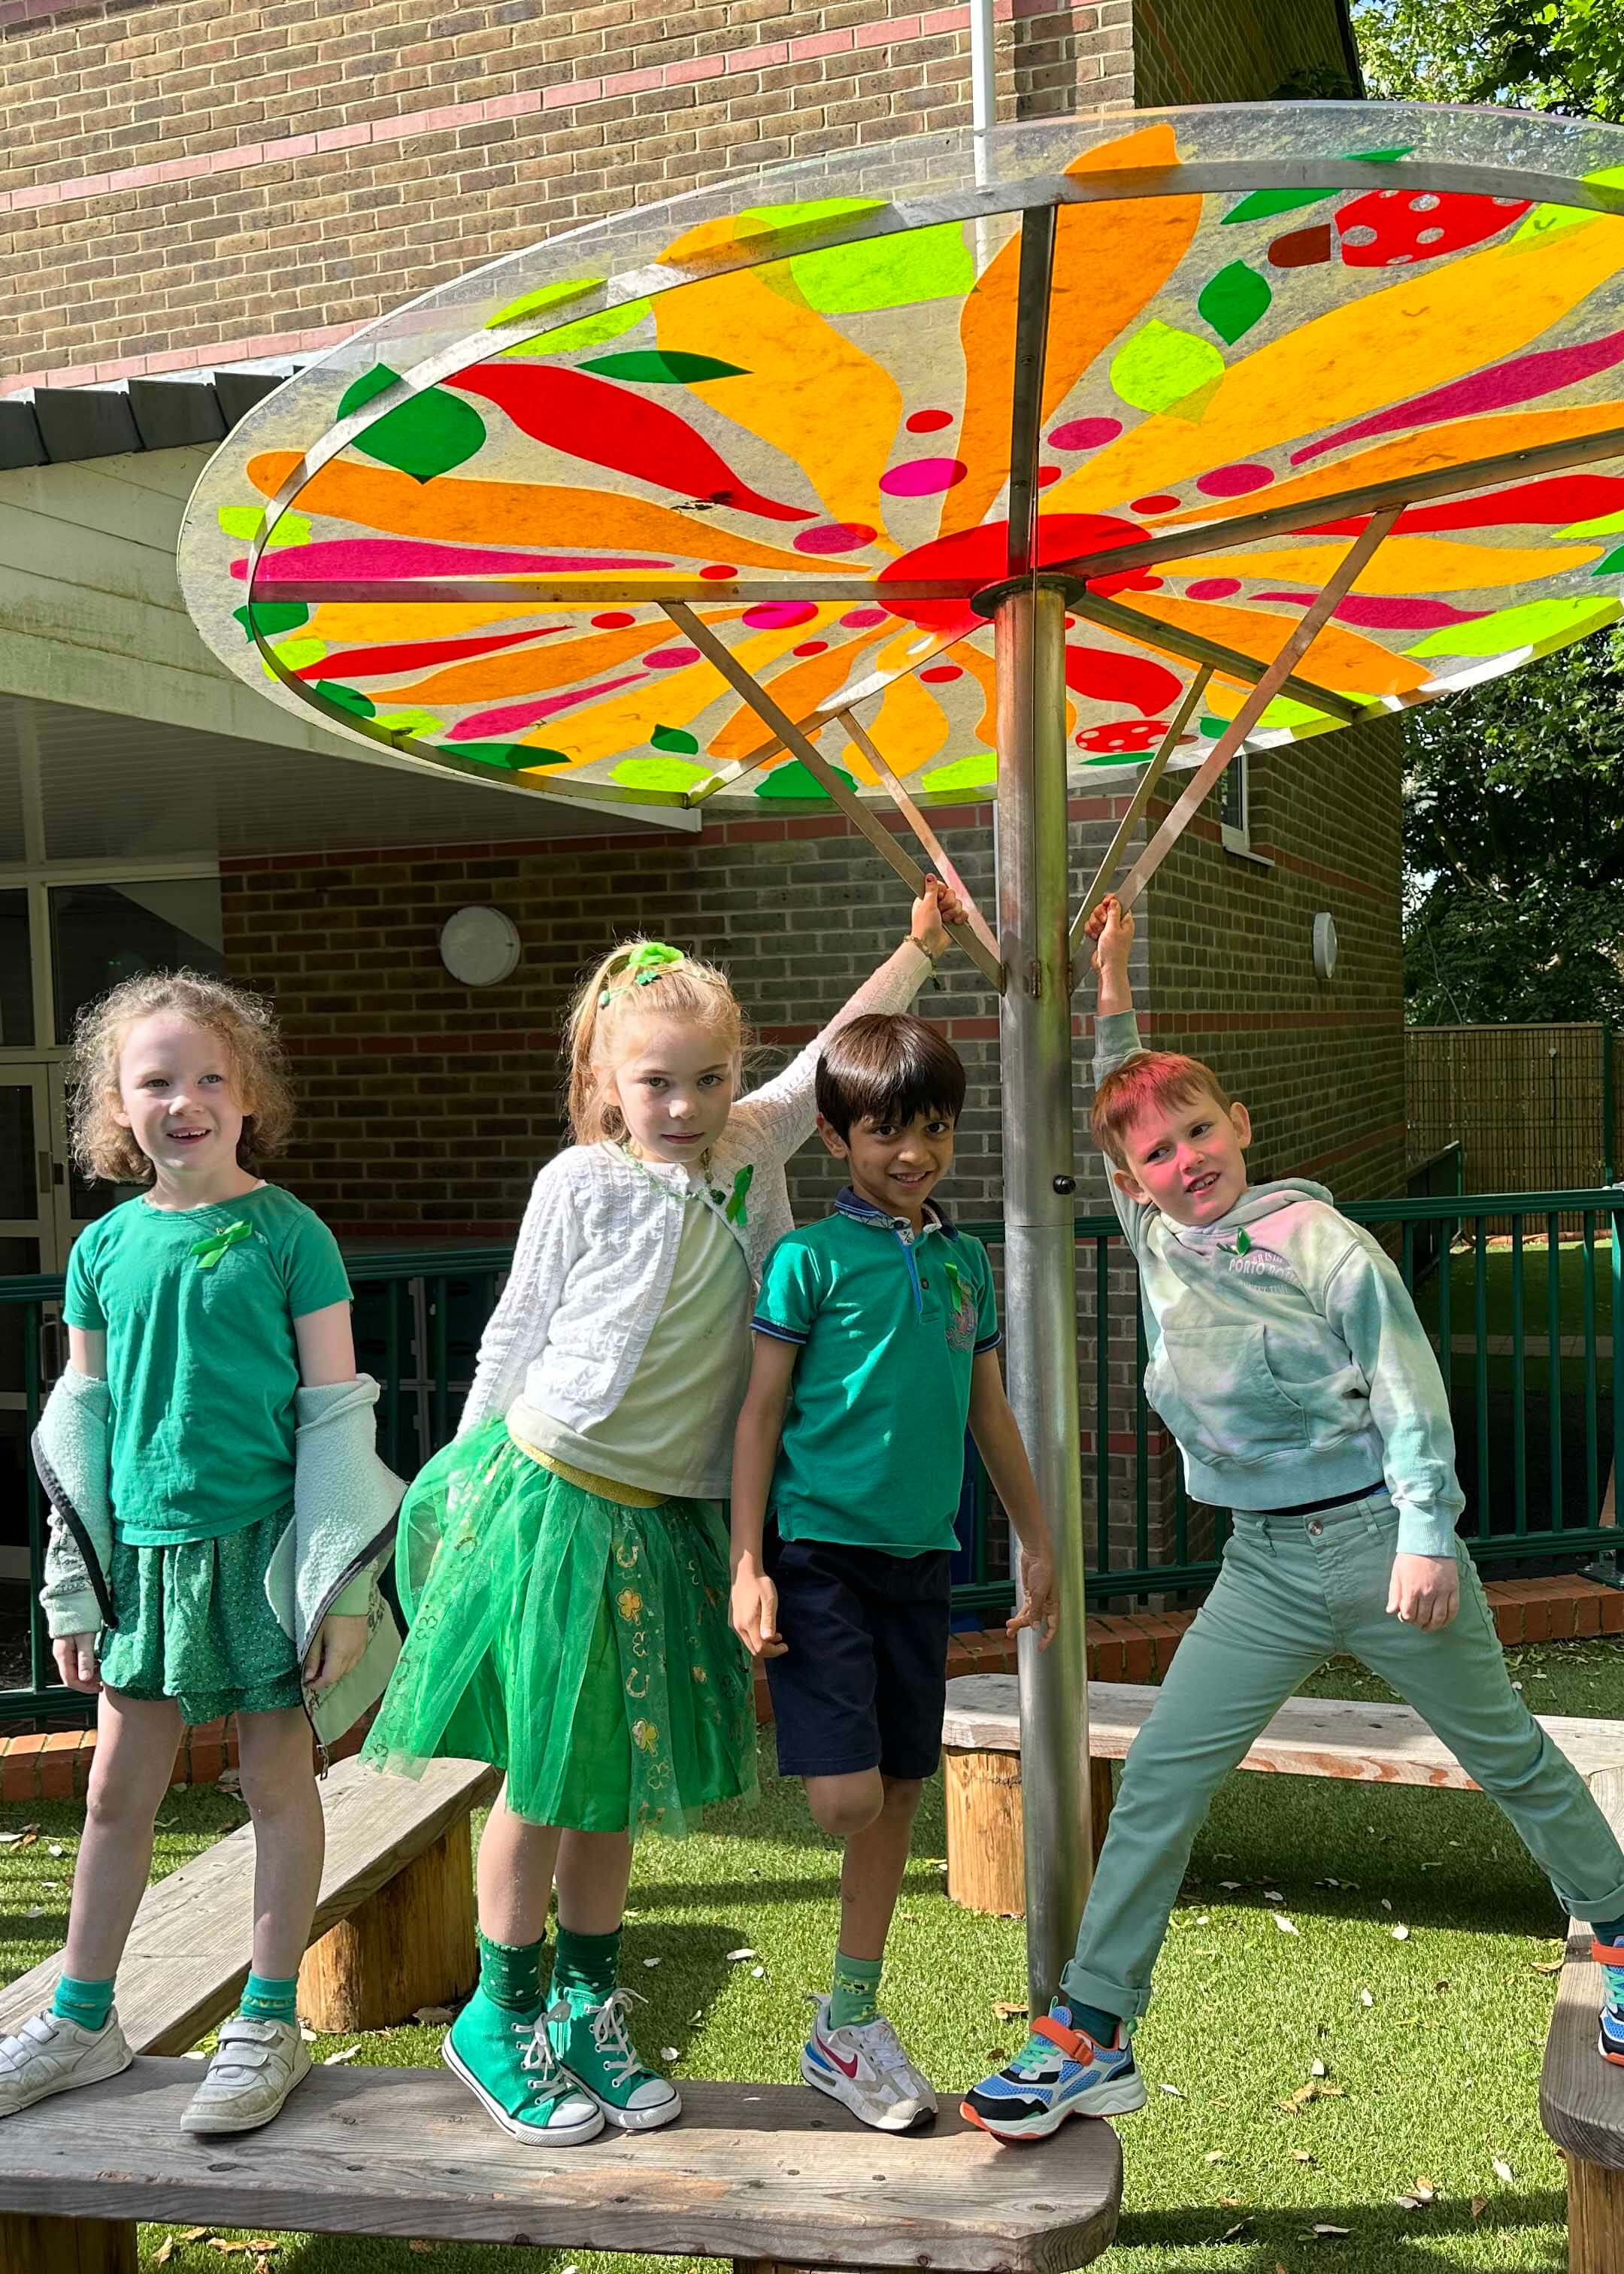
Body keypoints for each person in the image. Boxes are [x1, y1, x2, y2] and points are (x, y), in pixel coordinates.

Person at [962, 895, 1624, 2141]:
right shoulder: (1159, 1237)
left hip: (1380, 1544)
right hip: (1260, 1569)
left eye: (1200, 1131)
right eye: (1155, 1154)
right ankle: (1092, 2029)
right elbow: (1124, 1090)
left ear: (1242, 1126)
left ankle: (1623, 1924)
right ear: (1130, 1180)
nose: (1184, 1161)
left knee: (1507, 1756)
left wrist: (1429, 1534)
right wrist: (1110, 984)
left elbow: (1410, 1388)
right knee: (1161, 1775)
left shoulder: (1321, 1240)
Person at [364, 887, 968, 2147]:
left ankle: (586, 2003)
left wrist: (916, 946)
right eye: (655, 1082)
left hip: (662, 1519)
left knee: (616, 1783)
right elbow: (514, 1334)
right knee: (543, 1772)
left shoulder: (750, 1148)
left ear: (729, 1074)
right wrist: (463, 1480)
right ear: (604, 1079)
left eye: (704, 1079)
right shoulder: (581, 1181)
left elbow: (824, 1068)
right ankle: (501, 2011)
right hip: (552, 1497)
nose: (683, 1107)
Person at [3, 972, 401, 2136]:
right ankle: (84, 2020)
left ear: (249, 1095)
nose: (186, 1101)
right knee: (115, 1793)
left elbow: (336, 1413)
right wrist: (75, 1578)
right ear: (115, 1108)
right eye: (156, 1081)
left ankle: (268, 2024)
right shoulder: (102, 1251)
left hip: (267, 1557)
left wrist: (341, 1589)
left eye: (210, 1078)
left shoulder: (291, 1236)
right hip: (142, 1565)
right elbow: (80, 1416)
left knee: (277, 1788)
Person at [731, 1011, 1058, 2134]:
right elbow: (760, 1414)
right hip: (817, 1556)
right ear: (836, 1138)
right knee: (845, 1799)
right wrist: (747, 1564)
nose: (910, 1153)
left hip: (924, 1561)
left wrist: (1038, 1536)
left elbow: (989, 1414)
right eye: (883, 1134)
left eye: (930, 1130)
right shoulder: (806, 1261)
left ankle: (848, 2020)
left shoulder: (964, 1264)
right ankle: (843, 2014)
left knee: (904, 1786)